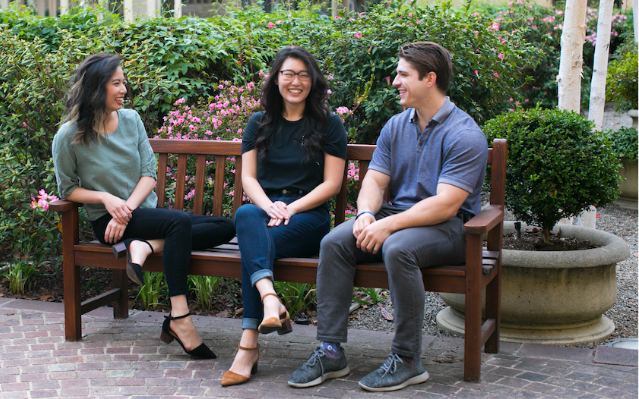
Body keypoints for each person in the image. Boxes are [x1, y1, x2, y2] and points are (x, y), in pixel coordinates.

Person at [288, 42, 489, 392]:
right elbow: (375, 182)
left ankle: (408, 360)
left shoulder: (464, 134)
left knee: (398, 248)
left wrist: (387, 224)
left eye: (403, 74)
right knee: (335, 241)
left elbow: (446, 205)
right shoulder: (396, 125)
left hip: (450, 229)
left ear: (430, 78)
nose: (394, 80)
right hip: (395, 219)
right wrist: (366, 213)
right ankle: (331, 350)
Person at [52, 53, 235, 359]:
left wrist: (128, 210)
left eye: (124, 82)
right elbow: (68, 189)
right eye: (116, 83)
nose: (124, 89)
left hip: (140, 217)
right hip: (107, 225)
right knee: (179, 223)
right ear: (97, 87)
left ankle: (145, 247)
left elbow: (148, 176)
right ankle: (180, 318)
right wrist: (107, 200)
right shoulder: (68, 136)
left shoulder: (131, 120)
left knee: (227, 226)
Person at [221, 47, 348, 387]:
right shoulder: (258, 122)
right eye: (288, 74)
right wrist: (269, 206)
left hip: (308, 216)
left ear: (314, 81)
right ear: (276, 79)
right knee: (246, 213)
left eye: (304, 75)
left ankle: (248, 347)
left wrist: (291, 207)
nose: (296, 81)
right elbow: (249, 179)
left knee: (254, 249)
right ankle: (270, 300)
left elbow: (333, 184)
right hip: (266, 211)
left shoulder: (329, 124)